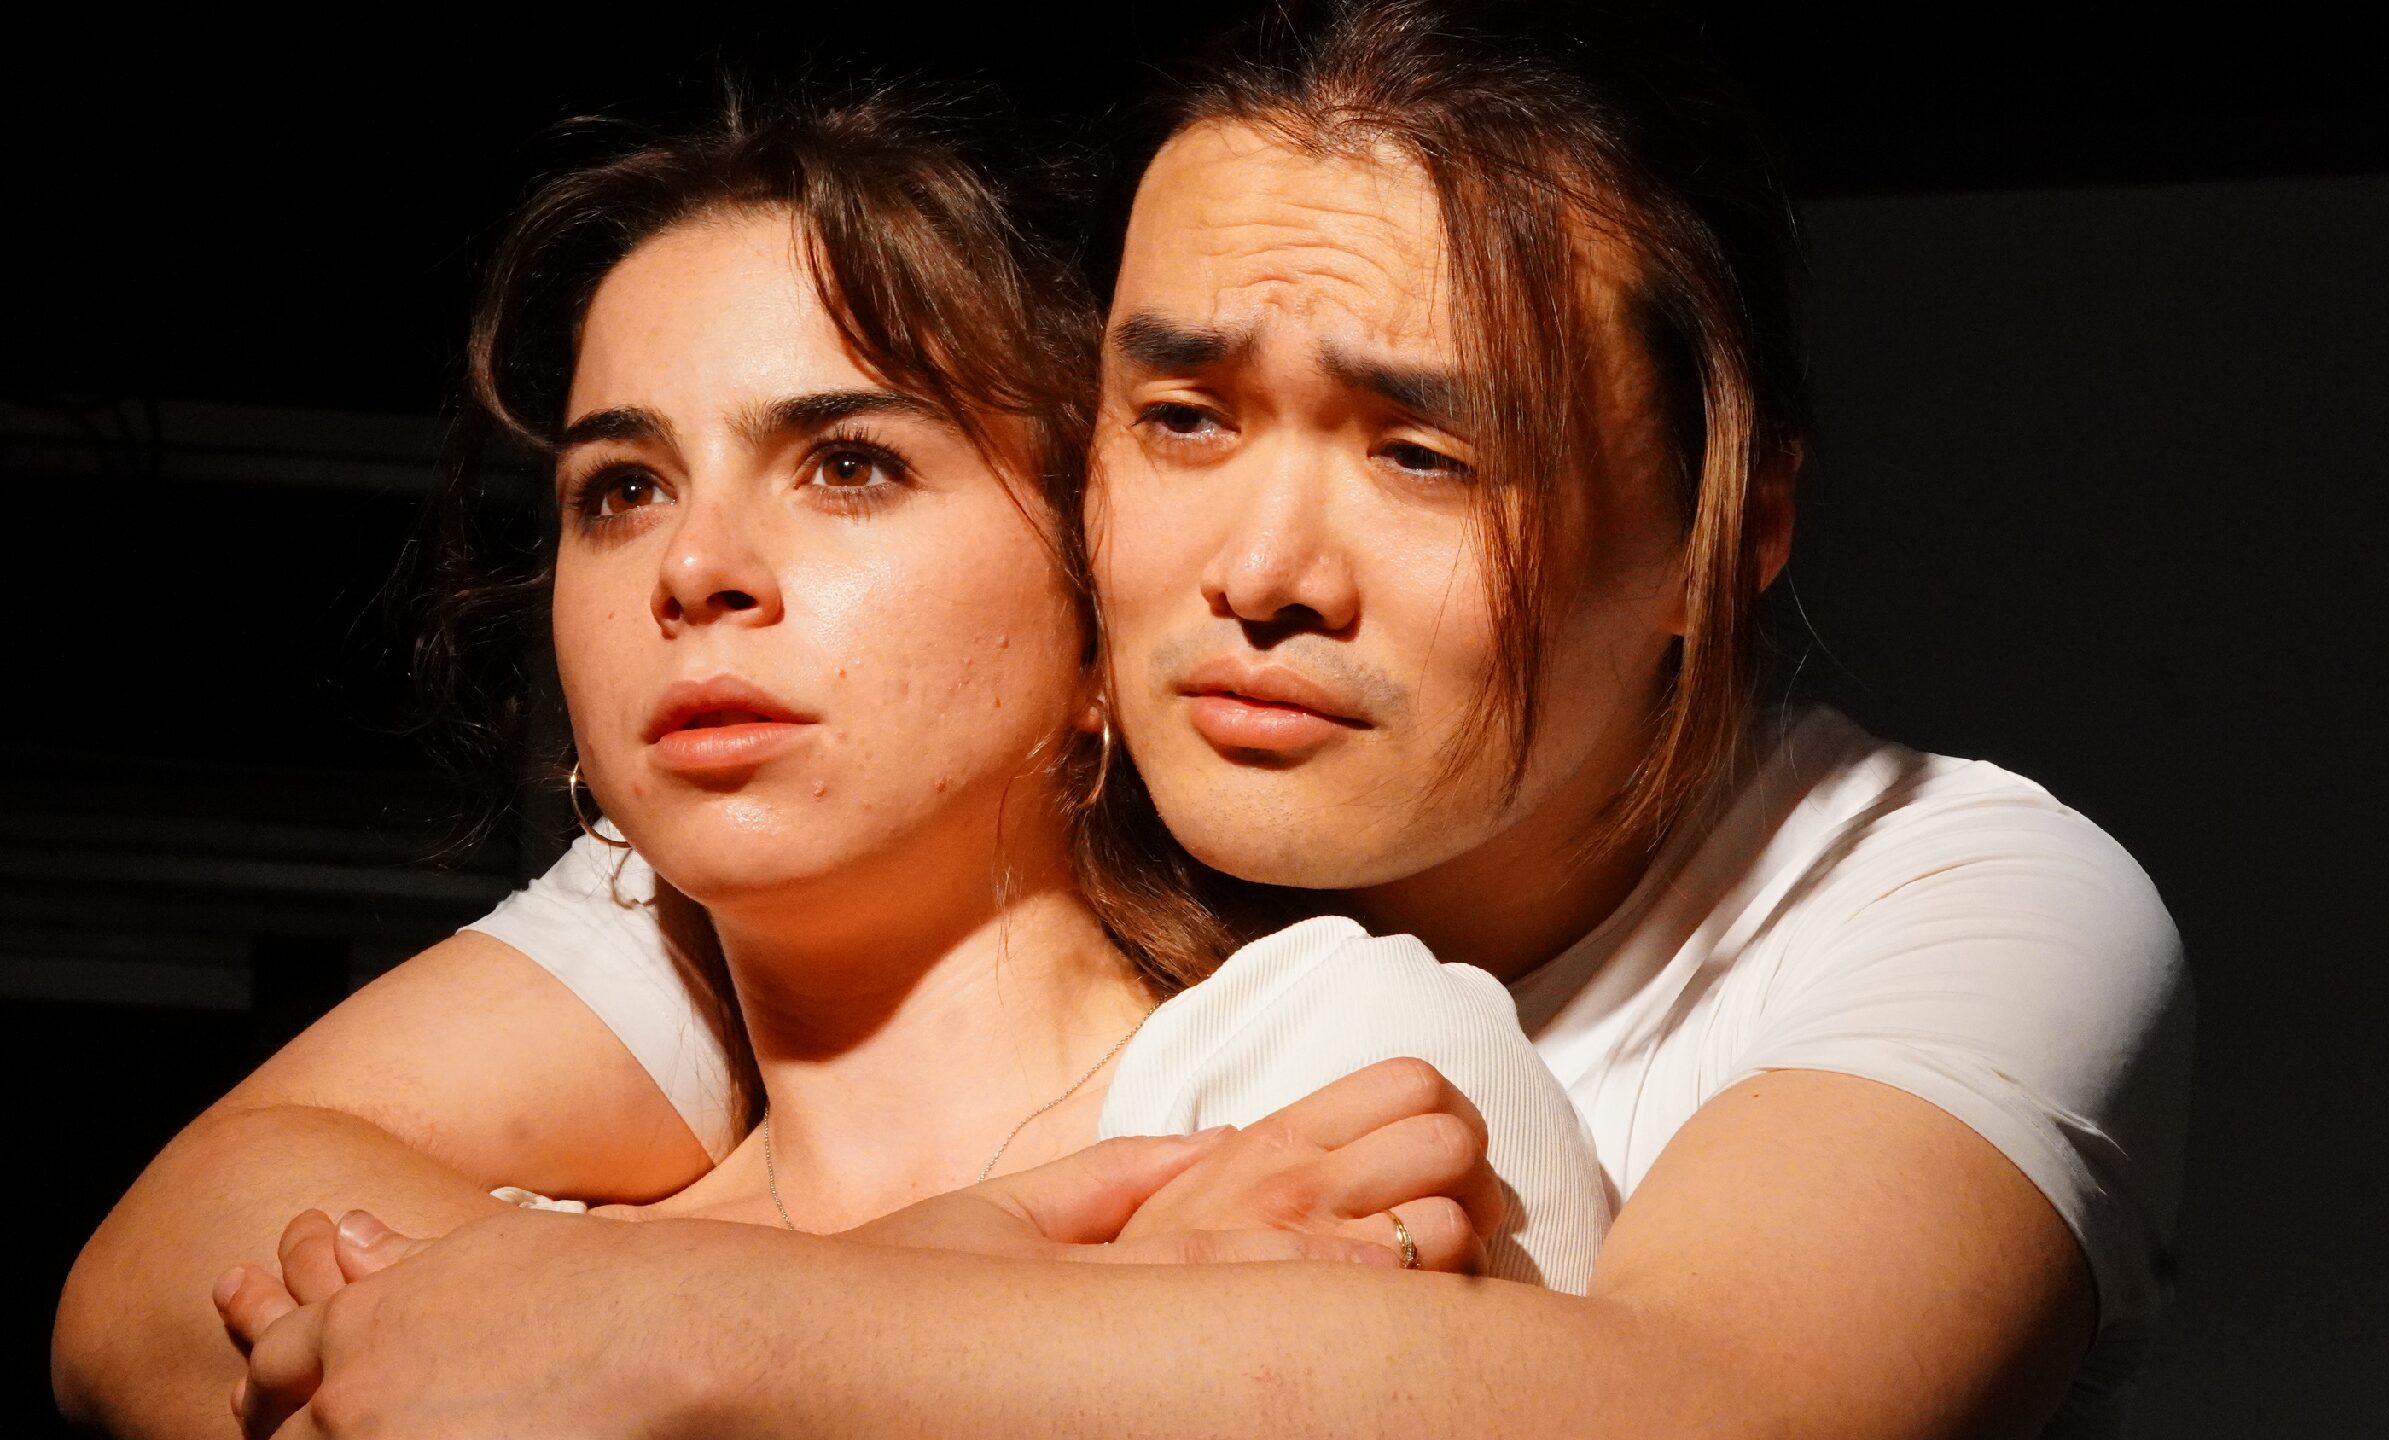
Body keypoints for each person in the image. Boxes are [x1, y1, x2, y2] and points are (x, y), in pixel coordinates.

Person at [60, 4, 2192, 1437]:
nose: (1258, 569)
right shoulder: (944, 813)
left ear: (1732, 528)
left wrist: (682, 1323)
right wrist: (947, 1280)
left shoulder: (1951, 894)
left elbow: (1713, 1411)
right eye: (1179, 417)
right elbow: (162, 1272)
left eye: (1424, 453)